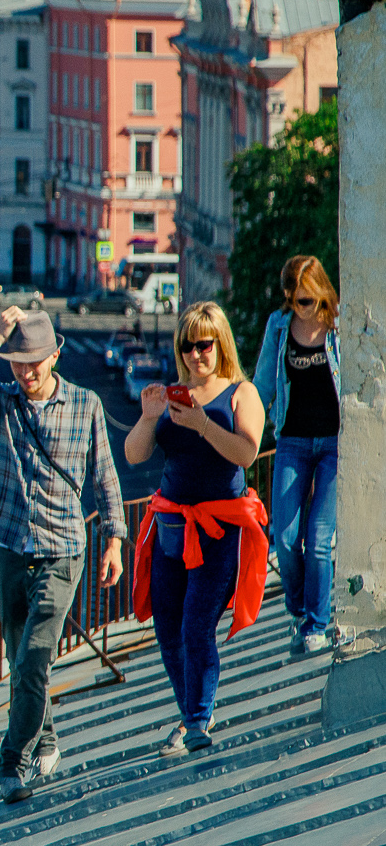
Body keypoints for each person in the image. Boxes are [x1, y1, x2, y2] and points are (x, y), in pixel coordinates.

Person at [0, 307, 125, 804]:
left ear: (56, 355)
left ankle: (12, 761)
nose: (26, 373)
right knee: (20, 658)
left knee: (33, 659)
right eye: (18, 364)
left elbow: (105, 476)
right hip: (8, 545)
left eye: (35, 363)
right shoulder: (3, 402)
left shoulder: (85, 404)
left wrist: (113, 540)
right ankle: (45, 738)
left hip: (63, 550)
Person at [125, 302, 268, 755]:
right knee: (167, 626)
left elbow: (246, 453)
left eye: (203, 346)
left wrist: (204, 424)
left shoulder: (241, 393)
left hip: (220, 526)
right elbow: (133, 455)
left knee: (196, 624)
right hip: (172, 522)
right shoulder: (171, 396)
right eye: (186, 347)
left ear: (219, 344)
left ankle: (197, 719)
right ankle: (191, 712)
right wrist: (149, 418)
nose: (194, 356)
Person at [252, 256, 348, 654]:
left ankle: (317, 624)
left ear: (321, 292)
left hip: (333, 443)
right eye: (292, 300)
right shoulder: (279, 326)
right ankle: (299, 612)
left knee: (320, 538)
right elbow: (260, 386)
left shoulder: (338, 327)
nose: (298, 308)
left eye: (305, 301)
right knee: (286, 539)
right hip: (291, 440)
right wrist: (243, 437)